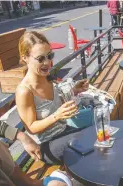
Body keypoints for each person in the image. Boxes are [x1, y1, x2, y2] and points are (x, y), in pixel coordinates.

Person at [15, 31, 89, 165]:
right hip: (45, 145)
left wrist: (74, 90)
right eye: (40, 58)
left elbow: (56, 102)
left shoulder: (47, 78)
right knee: (86, 146)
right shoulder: (24, 91)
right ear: (25, 58)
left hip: (63, 132)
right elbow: (31, 127)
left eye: (50, 56)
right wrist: (56, 116)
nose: (47, 62)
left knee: (93, 137)